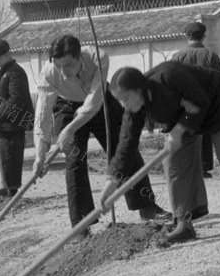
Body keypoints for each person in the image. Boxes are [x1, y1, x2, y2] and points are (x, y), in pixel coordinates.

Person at [106, 62, 220, 243]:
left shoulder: (168, 76)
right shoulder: (133, 110)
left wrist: (179, 129)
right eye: (119, 100)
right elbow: (126, 144)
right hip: (187, 116)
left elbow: (199, 101)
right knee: (174, 162)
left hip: (219, 105)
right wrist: (112, 180)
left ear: (138, 89)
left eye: (125, 99)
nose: (122, 105)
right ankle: (184, 224)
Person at [32, 35, 170, 235]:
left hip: (101, 102)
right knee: (74, 161)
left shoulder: (98, 56)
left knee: (123, 149)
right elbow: (42, 118)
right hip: (67, 107)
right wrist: (39, 156)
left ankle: (147, 206)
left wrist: (69, 130)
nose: (63, 73)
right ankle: (81, 224)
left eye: (68, 65)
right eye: (58, 66)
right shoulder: (48, 74)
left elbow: (93, 103)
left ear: (80, 57)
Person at [0, 39, 34, 198]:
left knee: (11, 157)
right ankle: (5, 189)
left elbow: (16, 98)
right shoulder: (1, 71)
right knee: (2, 157)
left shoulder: (16, 72)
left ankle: (11, 190)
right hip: (2, 124)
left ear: (7, 54)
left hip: (13, 123)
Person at [172, 22, 220, 179]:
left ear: (187, 36)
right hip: (206, 104)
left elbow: (172, 82)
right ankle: (203, 167)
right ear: (204, 36)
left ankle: (187, 168)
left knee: (186, 135)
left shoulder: (178, 56)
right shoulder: (211, 56)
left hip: (185, 105)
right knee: (204, 134)